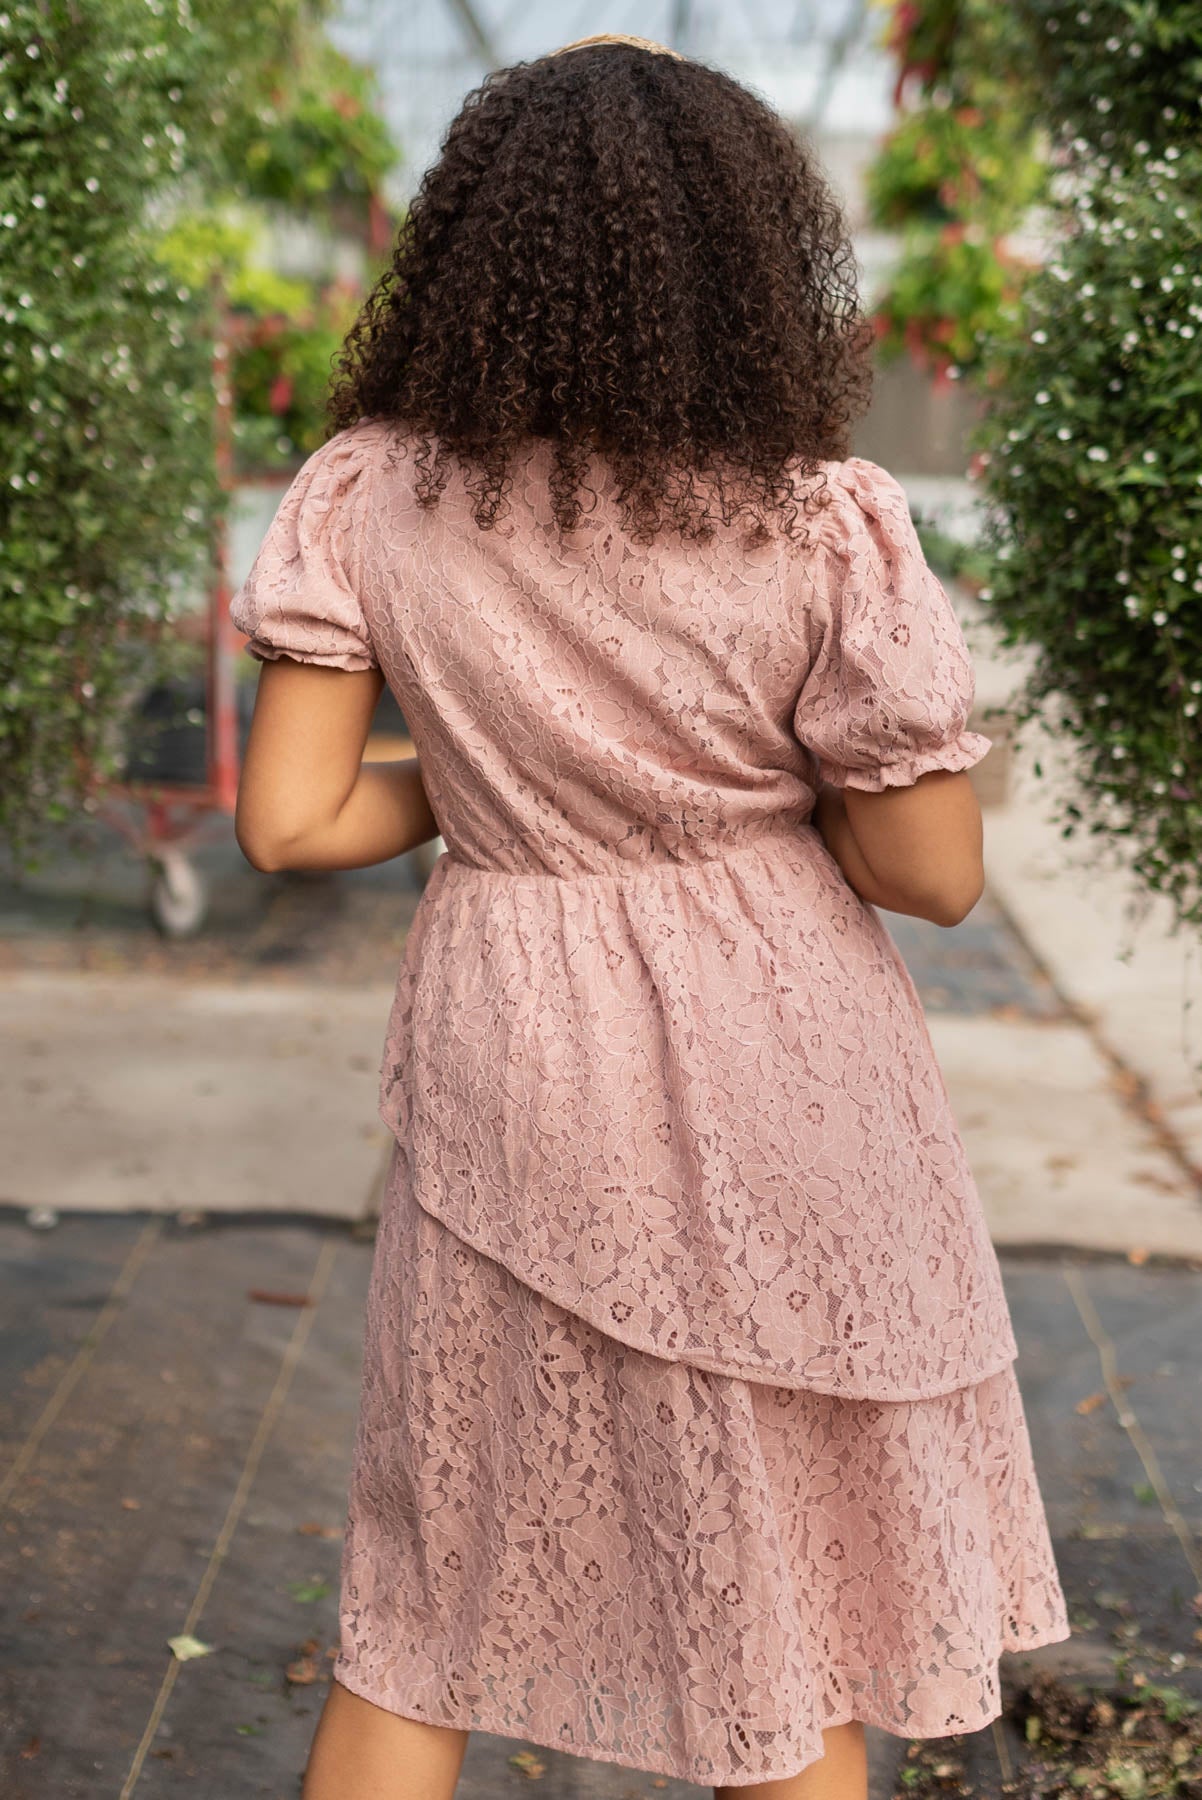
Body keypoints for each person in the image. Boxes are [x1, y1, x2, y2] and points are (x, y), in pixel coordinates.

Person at [231, 31, 1070, 1800]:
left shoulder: (373, 490)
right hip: (781, 1049)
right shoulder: (815, 518)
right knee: (778, 1607)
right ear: (752, 256)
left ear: (469, 250)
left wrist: (486, 788)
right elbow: (929, 872)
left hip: (511, 1038)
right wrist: (745, 815)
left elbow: (292, 821)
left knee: (424, 1593)